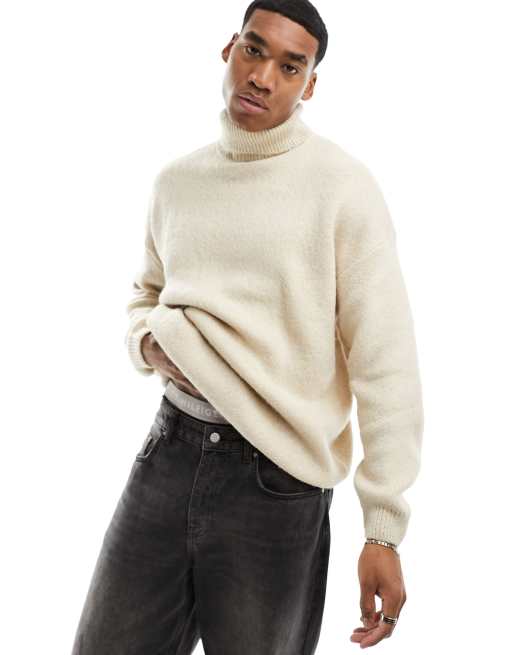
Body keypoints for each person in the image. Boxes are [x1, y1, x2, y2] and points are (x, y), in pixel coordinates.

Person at [71, 1, 424, 653]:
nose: (262, 77)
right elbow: (144, 296)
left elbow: (386, 363)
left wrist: (383, 529)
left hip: (277, 482)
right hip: (168, 452)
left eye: (290, 67)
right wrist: (146, 343)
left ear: (309, 85)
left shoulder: (342, 190)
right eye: (254, 51)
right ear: (228, 49)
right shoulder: (177, 182)